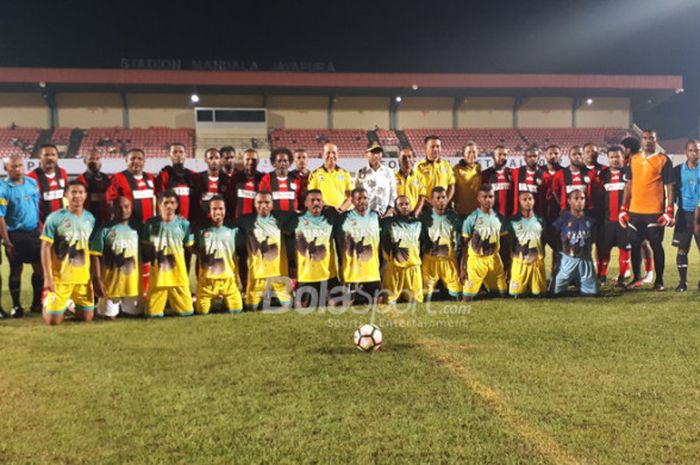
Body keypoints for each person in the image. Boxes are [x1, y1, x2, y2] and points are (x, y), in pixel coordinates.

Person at [619, 130, 675, 291]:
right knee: (635, 245)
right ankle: (637, 278)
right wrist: (624, 208)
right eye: (645, 138)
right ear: (641, 140)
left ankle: (659, 281)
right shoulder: (633, 160)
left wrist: (669, 210)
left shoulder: (663, 160)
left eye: (651, 138)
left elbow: (669, 185)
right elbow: (629, 184)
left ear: (657, 140)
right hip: (635, 211)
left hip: (654, 211)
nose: (648, 141)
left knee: (656, 245)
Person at [40, 180, 96, 325]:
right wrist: (47, 277)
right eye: (73, 192)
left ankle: (69, 303)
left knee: (86, 318)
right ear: (66, 194)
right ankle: (47, 300)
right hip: (60, 278)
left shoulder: (90, 219)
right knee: (53, 322)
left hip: (83, 278)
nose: (77, 196)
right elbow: (45, 247)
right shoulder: (55, 218)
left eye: (80, 192)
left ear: (85, 195)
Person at [0, 154, 43, 317]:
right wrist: (7, 241)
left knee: (40, 270)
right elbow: (0, 217)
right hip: (14, 235)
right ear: (6, 169)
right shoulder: (2, 188)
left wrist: (40, 230)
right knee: (16, 270)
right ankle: (17, 306)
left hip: (33, 233)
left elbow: (36, 207)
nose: (17, 169)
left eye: (19, 166)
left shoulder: (32, 183)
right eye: (13, 167)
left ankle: (36, 304)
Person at [236, 191, 294, 310]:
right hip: (257, 275)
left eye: (267, 202)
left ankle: (280, 295)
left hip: (279, 274)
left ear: (272, 204)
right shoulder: (246, 220)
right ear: (254, 204)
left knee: (287, 306)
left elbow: (299, 217)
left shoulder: (280, 218)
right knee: (251, 307)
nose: (263, 205)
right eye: (259, 202)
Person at [141, 191, 195, 317]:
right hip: (158, 276)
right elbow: (146, 247)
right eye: (166, 203)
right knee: (152, 314)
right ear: (159, 205)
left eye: (172, 203)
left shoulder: (184, 224)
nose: (169, 206)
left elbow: (189, 247)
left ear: (176, 205)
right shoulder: (150, 224)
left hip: (178, 274)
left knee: (187, 312)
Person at [90, 197, 142, 319]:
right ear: (112, 208)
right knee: (109, 318)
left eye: (126, 206)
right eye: (119, 207)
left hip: (132, 285)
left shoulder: (139, 228)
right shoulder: (104, 230)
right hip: (110, 285)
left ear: (131, 208)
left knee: (134, 316)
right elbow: (96, 255)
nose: (123, 210)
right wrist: (97, 279)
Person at [291, 189, 341, 308]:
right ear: (306, 203)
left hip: (328, 275)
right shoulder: (296, 219)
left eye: (319, 200)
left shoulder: (331, 218)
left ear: (323, 203)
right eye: (312, 200)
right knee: (302, 306)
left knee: (334, 305)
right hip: (306, 275)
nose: (316, 203)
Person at [194, 195, 243, 314]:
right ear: (209, 211)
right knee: (202, 311)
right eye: (214, 209)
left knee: (237, 309)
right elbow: (193, 248)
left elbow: (241, 250)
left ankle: (228, 299)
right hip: (207, 281)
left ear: (225, 210)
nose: (218, 212)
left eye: (221, 209)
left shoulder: (234, 230)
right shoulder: (200, 230)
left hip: (228, 279)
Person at [460, 185, 508, 301]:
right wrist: (462, 267)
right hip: (476, 261)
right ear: (479, 199)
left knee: (502, 293)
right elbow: (465, 245)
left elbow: (505, 243)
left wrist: (507, 265)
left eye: (491, 196)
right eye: (484, 197)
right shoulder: (471, 219)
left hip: (494, 260)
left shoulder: (499, 218)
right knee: (467, 298)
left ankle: (489, 285)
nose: (488, 200)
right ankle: (478, 285)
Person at [335, 188, 382, 305]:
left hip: (372, 271)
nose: (362, 201)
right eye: (359, 198)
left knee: (378, 302)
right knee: (348, 304)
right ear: (352, 200)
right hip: (352, 272)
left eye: (365, 198)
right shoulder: (343, 218)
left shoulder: (375, 216)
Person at [551, 189, 598, 296]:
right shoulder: (562, 219)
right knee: (555, 292)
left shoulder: (590, 220)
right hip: (567, 261)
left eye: (582, 198)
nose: (579, 201)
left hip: (585, 260)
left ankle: (581, 282)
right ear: (569, 201)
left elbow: (593, 238)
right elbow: (553, 236)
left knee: (592, 294)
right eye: (576, 198)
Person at [420, 186, 462, 301]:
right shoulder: (425, 217)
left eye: (443, 197)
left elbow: (461, 240)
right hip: (430, 262)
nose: (441, 200)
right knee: (424, 298)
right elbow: (421, 240)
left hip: (449, 261)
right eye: (438, 198)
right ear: (432, 200)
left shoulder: (454, 216)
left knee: (458, 297)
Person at [621, 135, 654, 281]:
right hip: (630, 208)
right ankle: (629, 271)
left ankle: (649, 272)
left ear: (628, 150)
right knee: (631, 241)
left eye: (623, 149)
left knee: (644, 242)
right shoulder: (628, 164)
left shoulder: (640, 162)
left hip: (642, 208)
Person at [597, 145, 631, 287]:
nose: (615, 160)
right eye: (611, 157)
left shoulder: (629, 173)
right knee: (604, 250)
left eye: (617, 156)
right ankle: (602, 275)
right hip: (608, 220)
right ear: (608, 159)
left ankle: (622, 276)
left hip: (624, 221)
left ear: (623, 157)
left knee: (625, 249)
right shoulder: (603, 175)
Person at [380, 195, 424, 304]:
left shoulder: (418, 223)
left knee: (417, 303)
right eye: (400, 204)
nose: (404, 206)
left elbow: (422, 244)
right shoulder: (387, 223)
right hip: (394, 269)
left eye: (406, 204)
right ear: (395, 208)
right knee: (388, 302)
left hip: (413, 268)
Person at [672, 139, 700, 292]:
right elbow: (673, 191)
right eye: (691, 150)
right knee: (682, 249)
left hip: (699, 214)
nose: (695, 153)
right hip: (683, 215)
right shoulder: (678, 170)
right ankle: (682, 282)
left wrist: (696, 222)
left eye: (697, 150)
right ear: (685, 152)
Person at [508, 191, 546, 298]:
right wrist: (512, 255)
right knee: (516, 293)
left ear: (534, 201)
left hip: (536, 262)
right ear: (519, 202)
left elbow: (543, 239)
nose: (528, 202)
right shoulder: (513, 220)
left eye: (530, 199)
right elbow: (510, 240)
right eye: (524, 200)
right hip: (520, 262)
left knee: (539, 293)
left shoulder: (541, 220)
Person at [106, 148, 156, 223]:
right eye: (132, 158)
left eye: (140, 159)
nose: (136, 161)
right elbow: (110, 201)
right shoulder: (118, 177)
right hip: (129, 226)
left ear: (144, 161)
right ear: (126, 160)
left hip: (149, 224)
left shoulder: (150, 177)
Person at [28, 144, 68, 225]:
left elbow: (66, 197)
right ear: (39, 157)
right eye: (46, 155)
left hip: (61, 222)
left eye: (53, 155)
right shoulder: (31, 178)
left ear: (57, 157)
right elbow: (30, 206)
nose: (50, 158)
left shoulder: (62, 173)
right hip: (42, 225)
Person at [155, 143, 196, 221]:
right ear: (169, 155)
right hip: (170, 222)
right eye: (175, 152)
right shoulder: (164, 175)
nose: (178, 155)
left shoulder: (193, 175)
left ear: (185, 155)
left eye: (181, 152)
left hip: (191, 221)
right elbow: (160, 200)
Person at [307, 143, 353, 211]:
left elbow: (351, 196)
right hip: (322, 214)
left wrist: (341, 209)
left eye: (334, 153)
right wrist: (326, 209)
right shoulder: (314, 174)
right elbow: (311, 196)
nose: (331, 155)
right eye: (328, 153)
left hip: (341, 214)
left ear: (338, 154)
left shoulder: (345, 174)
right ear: (323, 155)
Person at [355, 143, 396, 216]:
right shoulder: (361, 173)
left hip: (386, 215)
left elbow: (393, 195)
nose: (376, 155)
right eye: (373, 152)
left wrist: (388, 214)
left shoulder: (389, 172)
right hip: (366, 215)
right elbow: (356, 196)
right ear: (367, 154)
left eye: (378, 152)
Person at [192, 148, 230, 226]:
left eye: (216, 158)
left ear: (221, 160)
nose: (214, 161)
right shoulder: (198, 178)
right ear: (206, 160)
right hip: (201, 220)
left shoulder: (227, 180)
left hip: (221, 221)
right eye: (211, 158)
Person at [415, 135, 455, 207]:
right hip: (426, 207)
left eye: (438, 146)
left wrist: (446, 201)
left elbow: (451, 185)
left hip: (444, 207)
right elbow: (417, 190)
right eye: (432, 146)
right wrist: (432, 203)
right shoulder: (419, 168)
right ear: (426, 148)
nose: (436, 149)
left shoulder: (446, 165)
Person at [259, 147, 300, 212]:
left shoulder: (295, 179)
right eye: (279, 161)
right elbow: (261, 199)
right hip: (273, 219)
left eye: (285, 161)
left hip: (292, 218)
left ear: (289, 163)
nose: (282, 163)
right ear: (274, 163)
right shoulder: (267, 179)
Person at [77, 149, 112, 226]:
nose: (95, 161)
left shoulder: (106, 178)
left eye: (97, 159)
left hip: (106, 218)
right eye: (91, 159)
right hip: (87, 219)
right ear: (85, 161)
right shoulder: (80, 180)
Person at [511, 147, 545, 217]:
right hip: (518, 215)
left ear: (539, 158)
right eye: (529, 156)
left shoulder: (544, 175)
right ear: (525, 158)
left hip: (536, 216)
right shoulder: (516, 172)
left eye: (535, 156)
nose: (532, 159)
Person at [230, 148, 264, 218]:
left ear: (258, 161)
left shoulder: (263, 179)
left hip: (257, 221)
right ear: (243, 160)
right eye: (247, 159)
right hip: (238, 220)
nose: (251, 162)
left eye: (254, 160)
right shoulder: (235, 178)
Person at [481, 145, 513, 219]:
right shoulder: (485, 174)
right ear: (493, 156)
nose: (502, 157)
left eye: (505, 155)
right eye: (499, 154)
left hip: (509, 218)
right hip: (491, 217)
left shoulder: (512, 173)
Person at [395, 147, 426, 216]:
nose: (407, 160)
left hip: (414, 214)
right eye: (404, 157)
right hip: (397, 215)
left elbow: (422, 197)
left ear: (413, 160)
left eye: (409, 157)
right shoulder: (392, 177)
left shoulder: (420, 177)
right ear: (399, 161)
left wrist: (415, 214)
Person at [452, 141, 481, 216]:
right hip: (461, 214)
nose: (472, 154)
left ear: (477, 153)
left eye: (474, 152)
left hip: (477, 214)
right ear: (463, 154)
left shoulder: (479, 168)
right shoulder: (456, 170)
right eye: (469, 152)